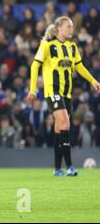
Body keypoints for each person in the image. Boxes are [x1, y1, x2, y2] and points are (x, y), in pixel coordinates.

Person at [27, 16, 100, 177]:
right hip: (52, 91)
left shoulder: (72, 47)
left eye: (72, 27)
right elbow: (34, 66)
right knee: (66, 124)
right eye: (68, 27)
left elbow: (80, 67)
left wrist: (93, 81)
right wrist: (33, 90)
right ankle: (70, 167)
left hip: (67, 93)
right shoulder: (47, 45)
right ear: (58, 28)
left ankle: (56, 168)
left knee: (59, 128)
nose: (71, 29)